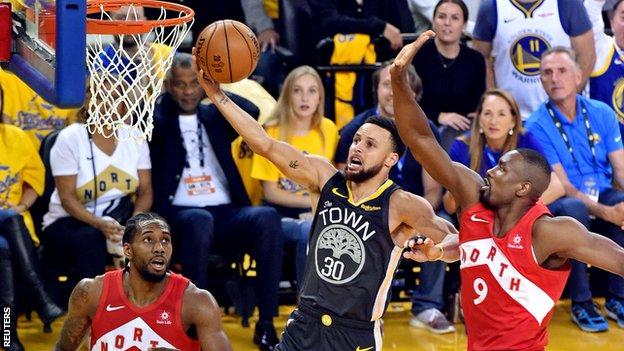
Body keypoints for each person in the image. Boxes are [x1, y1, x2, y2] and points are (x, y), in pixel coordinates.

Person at [193, 49, 457, 350]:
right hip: (305, 323)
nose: (357, 148)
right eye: (357, 140)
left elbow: (461, 244)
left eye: (370, 145)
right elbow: (264, 144)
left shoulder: (402, 204)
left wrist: (436, 253)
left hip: (354, 334)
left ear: (390, 159)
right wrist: (217, 95)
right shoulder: (324, 178)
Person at [391, 31, 624, 350]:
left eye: (501, 169)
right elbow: (420, 140)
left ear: (523, 188)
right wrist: (398, 80)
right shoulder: (473, 196)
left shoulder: (550, 232)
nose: (489, 170)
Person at [149, 52, 284, 350]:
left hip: (225, 212)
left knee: (267, 217)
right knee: (200, 220)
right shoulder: (162, 122)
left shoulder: (214, 117)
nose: (187, 91)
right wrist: (162, 92)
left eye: (193, 84)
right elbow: (153, 113)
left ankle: (266, 322)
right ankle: (196, 322)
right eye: (180, 85)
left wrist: (215, 89)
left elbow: (252, 111)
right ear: (171, 86)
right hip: (183, 216)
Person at [335, 62, 451, 334]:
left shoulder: (426, 131)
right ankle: (365, 312)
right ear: (377, 90)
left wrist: (416, 218)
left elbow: (433, 189)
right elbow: (342, 185)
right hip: (366, 213)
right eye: (388, 84)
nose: (394, 91)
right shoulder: (357, 129)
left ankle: (427, 306)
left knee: (441, 223)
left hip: (413, 211)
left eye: (402, 85)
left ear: (414, 93)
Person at [525, 47, 624, 332]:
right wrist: (606, 212)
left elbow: (620, 169)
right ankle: (582, 301)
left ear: (579, 76)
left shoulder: (602, 112)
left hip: (602, 192)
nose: (555, 78)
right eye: (547, 72)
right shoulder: (536, 125)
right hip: (564, 201)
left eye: (562, 71)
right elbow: (563, 186)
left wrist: (616, 209)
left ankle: (618, 297)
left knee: (622, 203)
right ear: (541, 81)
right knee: (574, 211)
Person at [53, 212, 232, 351]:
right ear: (128, 251)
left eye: (165, 240)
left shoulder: (196, 302)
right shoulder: (91, 292)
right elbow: (63, 349)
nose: (159, 248)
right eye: (148, 239)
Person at [41, 86, 153, 302]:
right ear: (88, 101)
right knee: (90, 239)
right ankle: (93, 311)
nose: (108, 104)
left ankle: (144, 307)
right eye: (101, 96)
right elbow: (67, 198)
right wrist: (100, 224)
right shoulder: (70, 138)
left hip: (120, 219)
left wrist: (133, 225)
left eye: (114, 97)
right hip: (68, 220)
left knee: (151, 233)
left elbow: (146, 191)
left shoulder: (135, 136)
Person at [251, 65, 338, 288]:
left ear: (320, 97)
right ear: (287, 95)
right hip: (280, 215)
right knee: (308, 230)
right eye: (297, 91)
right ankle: (305, 306)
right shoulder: (270, 132)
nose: (304, 98)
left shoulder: (328, 129)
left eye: (312, 91)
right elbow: (271, 193)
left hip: (318, 211)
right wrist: (313, 205)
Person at [0, 85, 64, 351]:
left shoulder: (15, 137)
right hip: (12, 227)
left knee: (3, 253)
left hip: (10, 232)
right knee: (10, 221)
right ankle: (40, 298)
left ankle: (8, 337)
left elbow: (33, 182)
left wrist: (20, 205)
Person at [446, 89, 564, 214]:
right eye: (487, 114)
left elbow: (557, 186)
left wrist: (512, 210)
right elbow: (450, 205)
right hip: (478, 215)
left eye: (501, 114)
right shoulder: (461, 146)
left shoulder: (526, 140)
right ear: (479, 118)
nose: (493, 121)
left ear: (513, 120)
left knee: (572, 206)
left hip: (518, 215)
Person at [472, 0, 595, 119]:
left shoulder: (567, 4)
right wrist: (495, 101)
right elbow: (480, 59)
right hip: (511, 118)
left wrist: (567, 98)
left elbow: (587, 55)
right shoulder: (491, 6)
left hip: (560, 115)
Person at [412, 0, 485, 150]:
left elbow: (479, 102)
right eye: (442, 17)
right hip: (424, 128)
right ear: (433, 21)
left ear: (464, 25)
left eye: (455, 18)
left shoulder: (475, 60)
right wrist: (440, 116)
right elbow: (409, 102)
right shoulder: (418, 56)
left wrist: (478, 115)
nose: (447, 23)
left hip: (463, 131)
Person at [586, 0, 624, 137]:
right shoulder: (602, 49)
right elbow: (591, 10)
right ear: (612, 22)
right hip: (603, 150)